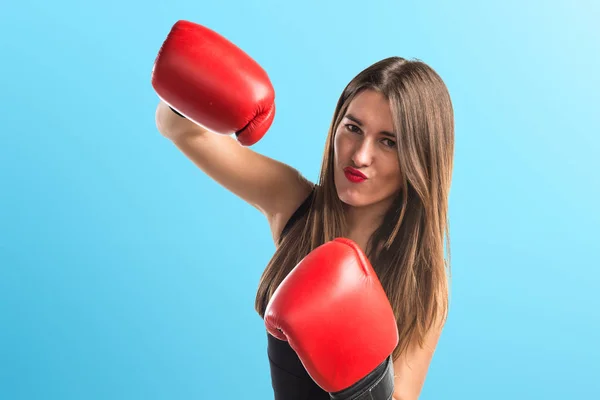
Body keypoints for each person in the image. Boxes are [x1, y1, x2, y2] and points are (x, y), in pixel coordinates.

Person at [152, 20, 454, 400]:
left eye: (389, 142)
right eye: (353, 128)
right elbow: (179, 130)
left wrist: (362, 381)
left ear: (420, 158)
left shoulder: (421, 281)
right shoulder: (295, 205)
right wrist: (196, 86)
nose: (360, 156)